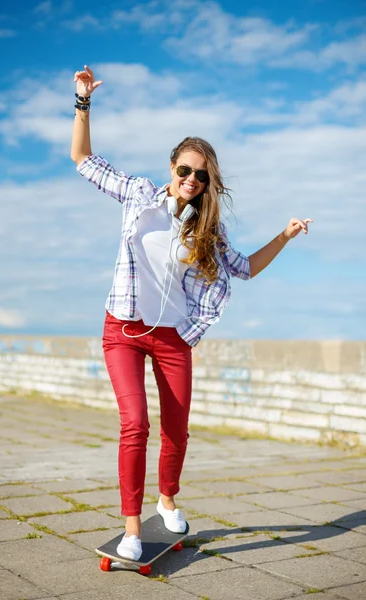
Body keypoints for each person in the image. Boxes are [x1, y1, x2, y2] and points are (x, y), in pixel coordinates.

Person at [71, 65, 313, 561]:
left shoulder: (205, 233)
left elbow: (244, 269)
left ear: (208, 183)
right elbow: (82, 159)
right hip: (122, 329)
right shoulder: (138, 194)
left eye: (201, 176)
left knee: (177, 428)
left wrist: (285, 236)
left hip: (172, 338)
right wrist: (83, 102)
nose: (192, 180)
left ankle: (167, 499)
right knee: (135, 423)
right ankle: (132, 527)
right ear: (172, 170)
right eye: (185, 170)